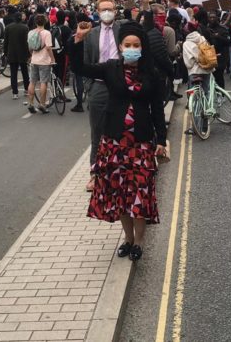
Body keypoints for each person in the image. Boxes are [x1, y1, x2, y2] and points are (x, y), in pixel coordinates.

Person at [70, 21, 166, 261]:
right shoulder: (111, 68)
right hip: (114, 144)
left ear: (142, 47)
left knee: (139, 194)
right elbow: (80, 68)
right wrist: (78, 42)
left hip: (141, 144)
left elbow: (157, 109)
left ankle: (140, 242)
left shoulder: (151, 73)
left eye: (136, 45)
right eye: (128, 45)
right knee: (121, 194)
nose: (132, 48)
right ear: (120, 47)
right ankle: (128, 239)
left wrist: (161, 140)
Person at [80, 0, 121, 190]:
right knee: (97, 133)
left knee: (120, 131)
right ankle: (94, 174)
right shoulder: (91, 34)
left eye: (110, 9)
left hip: (119, 85)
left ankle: (118, 172)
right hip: (98, 86)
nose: (107, 12)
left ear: (115, 11)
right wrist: (90, 86)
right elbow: (85, 62)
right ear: (97, 11)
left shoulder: (122, 30)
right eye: (103, 9)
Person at [26, 15, 56, 114]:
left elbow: (30, 47)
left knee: (32, 82)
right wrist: (52, 59)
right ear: (45, 22)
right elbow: (48, 48)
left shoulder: (31, 32)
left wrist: (32, 55)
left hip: (34, 60)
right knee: (44, 82)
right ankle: (42, 104)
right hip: (44, 61)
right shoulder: (47, 33)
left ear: (35, 22)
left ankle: (30, 103)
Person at [3, 13, 31, 100]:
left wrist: (5, 52)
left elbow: (6, 42)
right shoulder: (25, 28)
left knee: (13, 73)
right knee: (24, 72)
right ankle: (26, 89)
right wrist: (29, 54)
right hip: (23, 52)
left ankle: (15, 92)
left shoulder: (8, 27)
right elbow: (27, 42)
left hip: (12, 52)